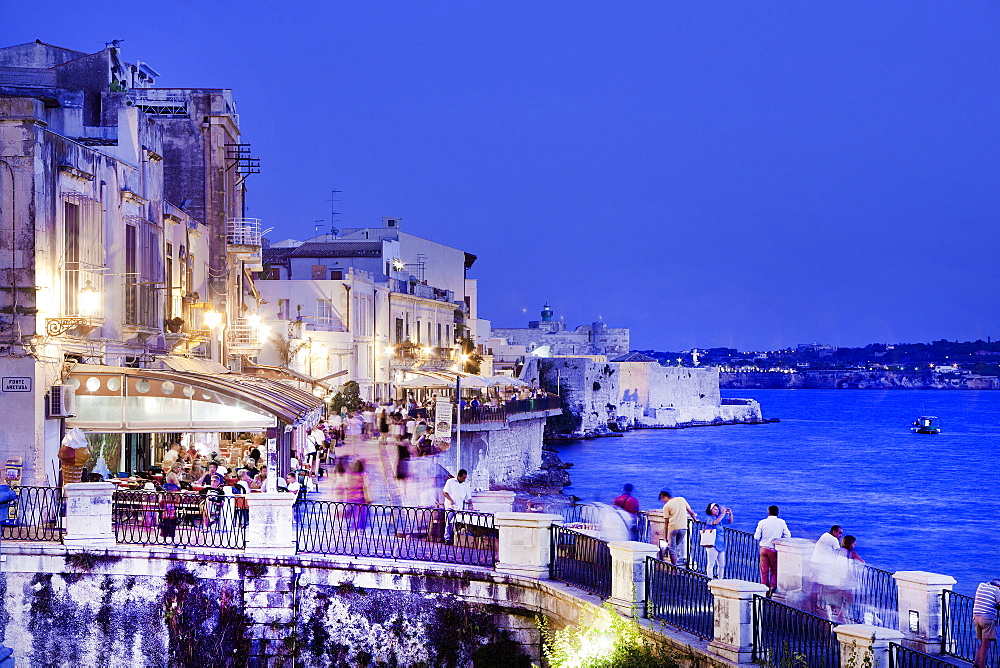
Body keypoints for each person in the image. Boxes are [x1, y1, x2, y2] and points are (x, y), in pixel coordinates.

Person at [754, 505, 791, 596]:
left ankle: (764, 589)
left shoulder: (762, 522)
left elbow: (756, 537)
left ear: (768, 512)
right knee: (774, 570)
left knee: (764, 570)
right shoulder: (781, 522)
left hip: (763, 548)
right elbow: (788, 535)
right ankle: (772, 587)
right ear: (778, 513)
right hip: (774, 549)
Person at [659, 489, 697, 566]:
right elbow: (691, 512)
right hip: (683, 528)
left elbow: (666, 523)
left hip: (673, 528)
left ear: (665, 497)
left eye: (662, 499)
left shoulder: (666, 506)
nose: (663, 501)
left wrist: (665, 537)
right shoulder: (681, 499)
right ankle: (677, 564)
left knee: (672, 549)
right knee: (675, 547)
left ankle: (674, 567)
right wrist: (695, 520)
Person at [973, 578, 1000, 668]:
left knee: (982, 644)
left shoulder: (981, 586)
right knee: (986, 645)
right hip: (987, 619)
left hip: (976, 617)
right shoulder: (996, 590)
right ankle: (982, 666)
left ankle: (976, 663)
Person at [704, 502, 734, 579]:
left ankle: (720, 580)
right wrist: (722, 514)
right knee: (711, 564)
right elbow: (714, 523)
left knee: (721, 564)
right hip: (712, 544)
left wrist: (730, 514)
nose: (717, 511)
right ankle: (710, 581)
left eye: (718, 509)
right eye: (715, 509)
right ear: (710, 510)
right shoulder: (709, 518)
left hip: (720, 544)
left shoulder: (719, 519)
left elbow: (730, 521)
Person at [442, 469, 473, 543]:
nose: (464, 480)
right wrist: (451, 501)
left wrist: (471, 505)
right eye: (463, 478)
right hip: (450, 506)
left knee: (457, 523)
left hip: (459, 507)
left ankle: (456, 538)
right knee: (448, 522)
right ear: (458, 476)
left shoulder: (465, 485)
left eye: (465, 478)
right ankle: (447, 538)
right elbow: (445, 492)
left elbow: (468, 498)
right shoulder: (450, 482)